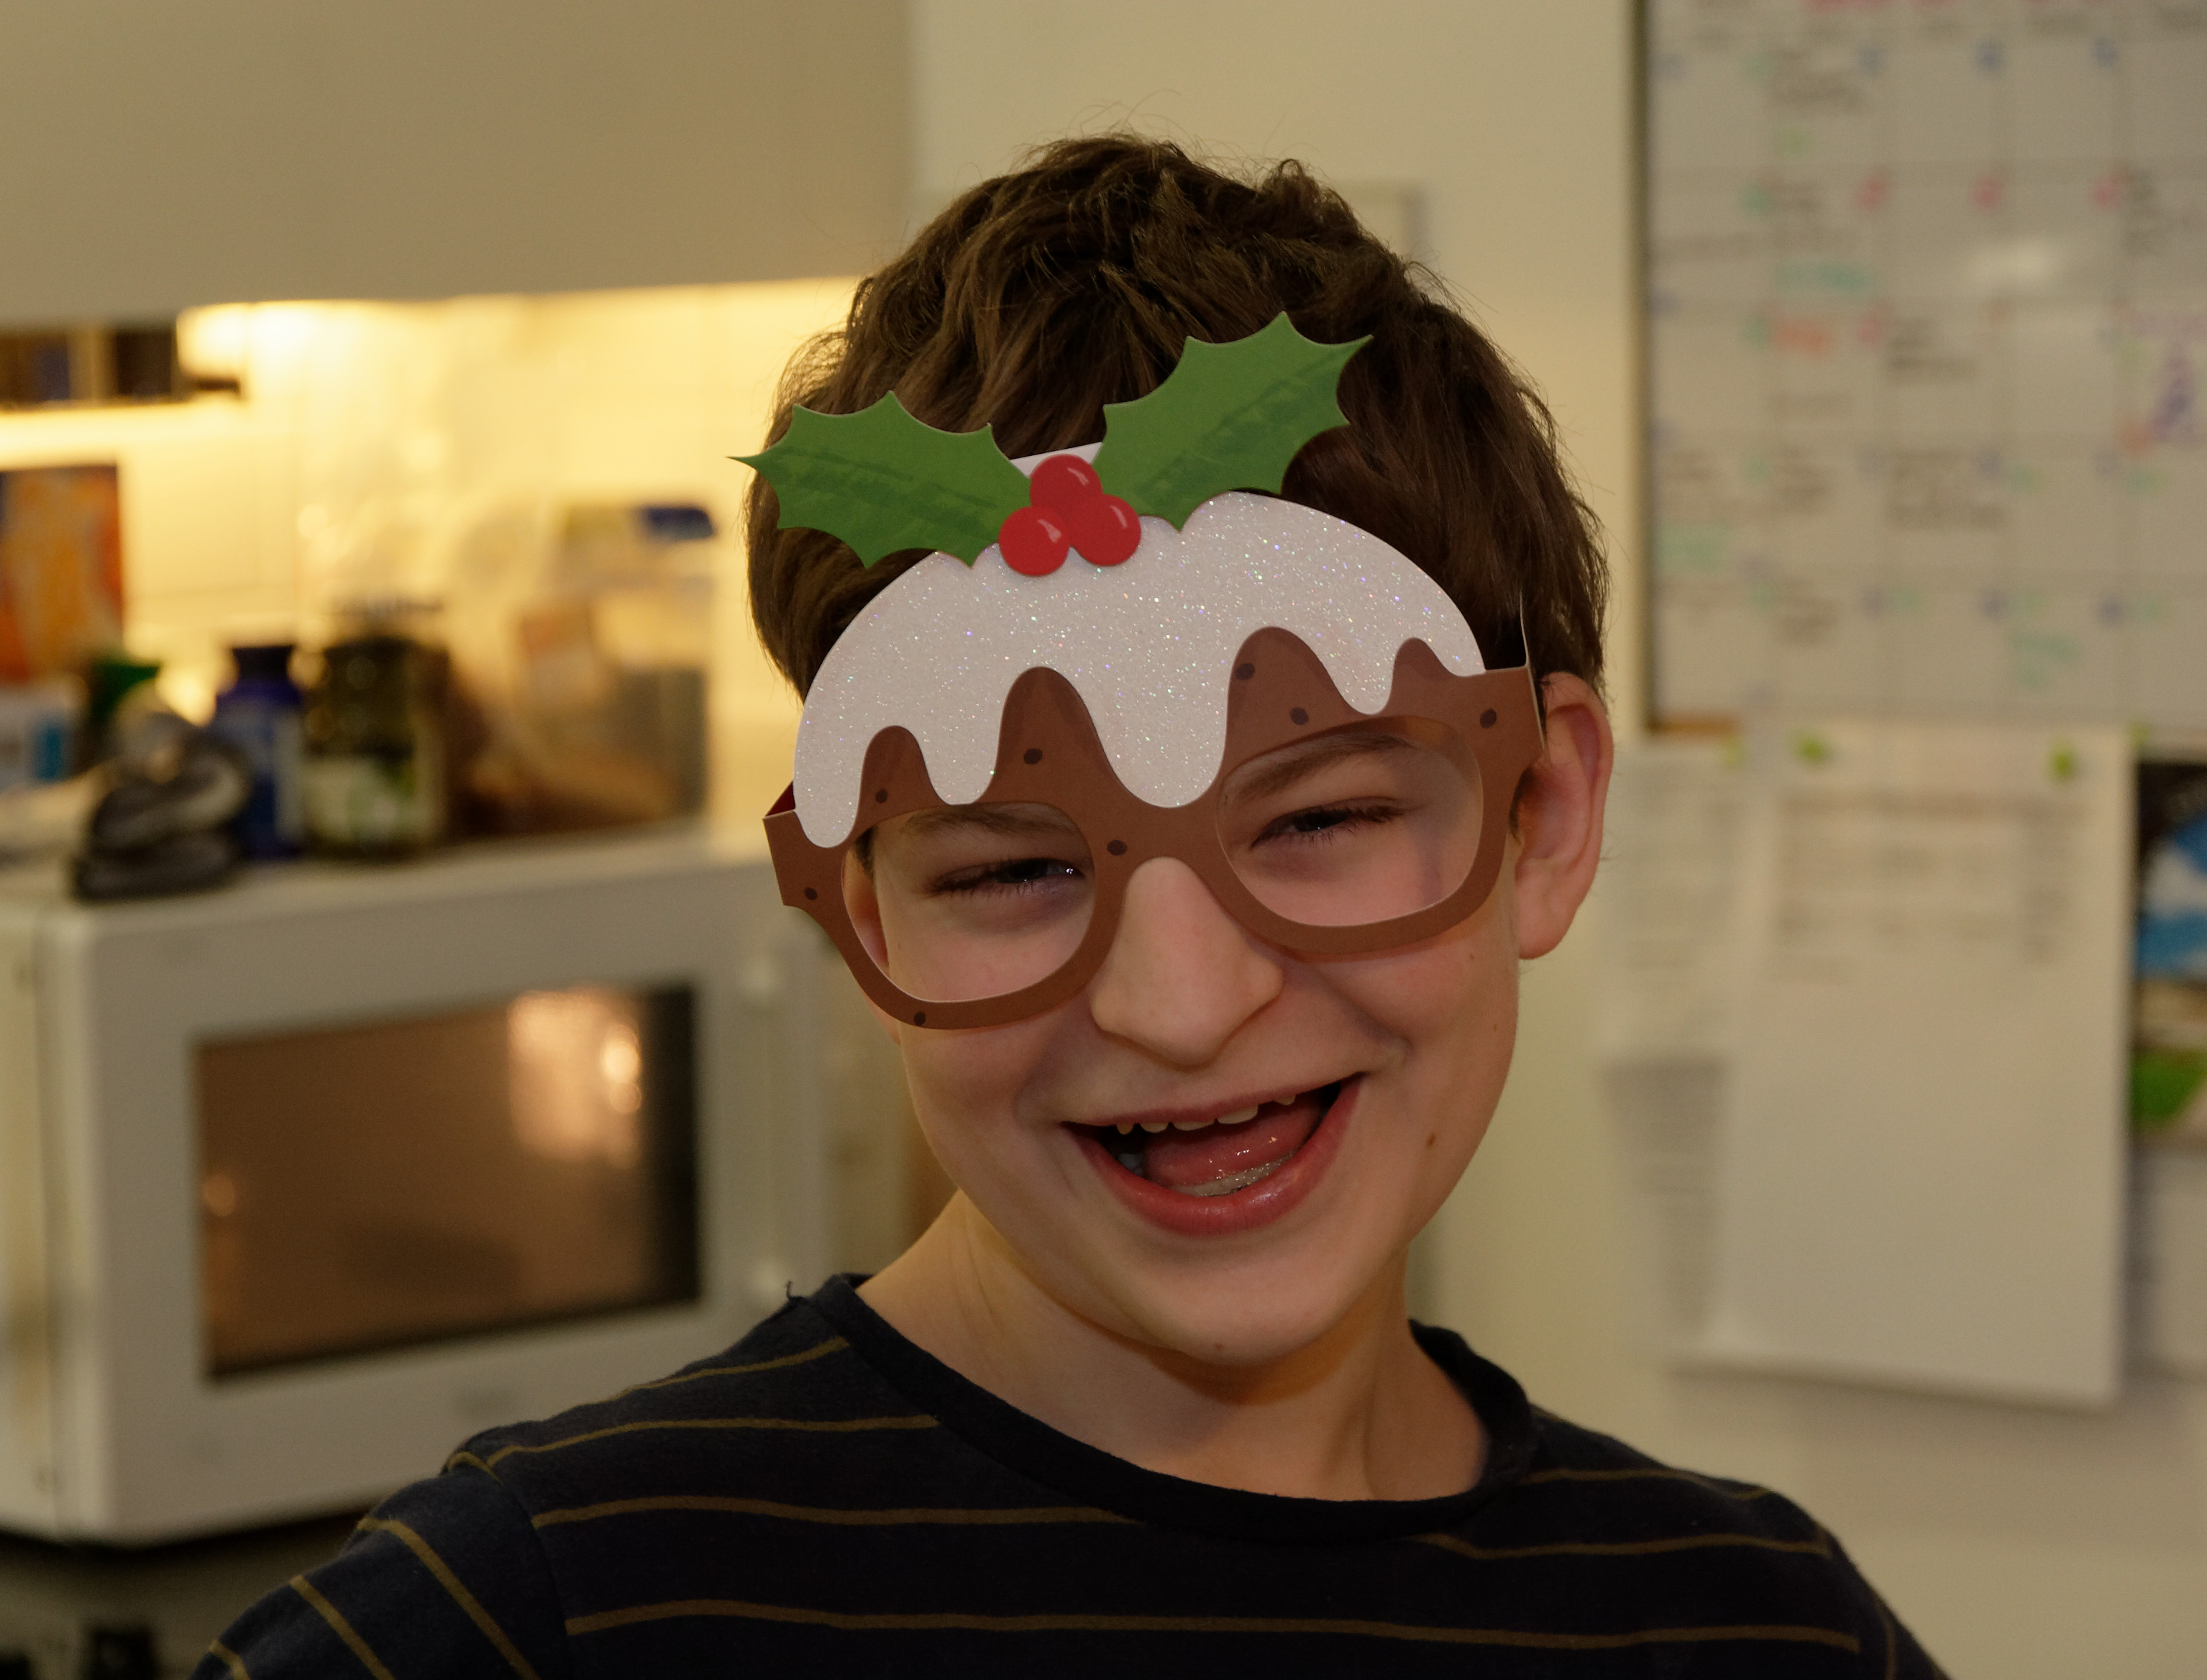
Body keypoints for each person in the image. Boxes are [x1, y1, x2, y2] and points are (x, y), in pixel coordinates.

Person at [193, 136, 1941, 1679]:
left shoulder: (1762, 1631)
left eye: (1319, 818)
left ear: (1540, 813)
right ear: (864, 918)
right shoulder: (545, 1617)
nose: (1179, 1003)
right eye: (1013, 868)